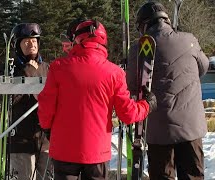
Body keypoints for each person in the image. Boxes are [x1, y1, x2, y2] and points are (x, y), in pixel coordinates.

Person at [37, 19, 157, 180]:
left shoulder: (58, 67)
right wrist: (146, 105)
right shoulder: (114, 73)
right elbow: (127, 114)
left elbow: (46, 105)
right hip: (96, 153)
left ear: (77, 40)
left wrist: (47, 129)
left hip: (64, 149)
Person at [126, 2, 209, 179]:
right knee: (193, 175)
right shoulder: (189, 40)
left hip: (158, 129)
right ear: (166, 19)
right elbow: (204, 67)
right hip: (190, 126)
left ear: (144, 24)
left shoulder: (137, 49)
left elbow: (132, 85)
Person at [6, 23, 50, 180]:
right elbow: (10, 100)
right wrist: (28, 73)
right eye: (26, 41)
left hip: (44, 140)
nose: (31, 44)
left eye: (34, 41)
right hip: (21, 142)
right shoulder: (12, 70)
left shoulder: (47, 68)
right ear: (18, 45)